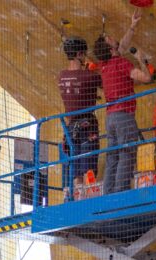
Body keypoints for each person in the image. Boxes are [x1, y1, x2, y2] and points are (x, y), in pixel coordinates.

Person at [93, 8, 151, 194]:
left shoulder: (105, 65)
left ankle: (109, 193)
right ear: (110, 48)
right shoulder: (123, 64)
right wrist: (142, 60)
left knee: (113, 156)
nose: (113, 38)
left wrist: (133, 26)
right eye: (110, 39)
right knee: (127, 153)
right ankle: (121, 191)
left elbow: (122, 46)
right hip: (124, 115)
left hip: (110, 118)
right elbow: (146, 78)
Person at [57, 36, 102, 197]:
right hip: (87, 123)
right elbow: (106, 82)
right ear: (79, 54)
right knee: (88, 164)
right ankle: (88, 198)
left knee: (75, 166)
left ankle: (77, 199)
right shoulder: (88, 76)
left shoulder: (61, 76)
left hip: (70, 127)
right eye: (83, 54)